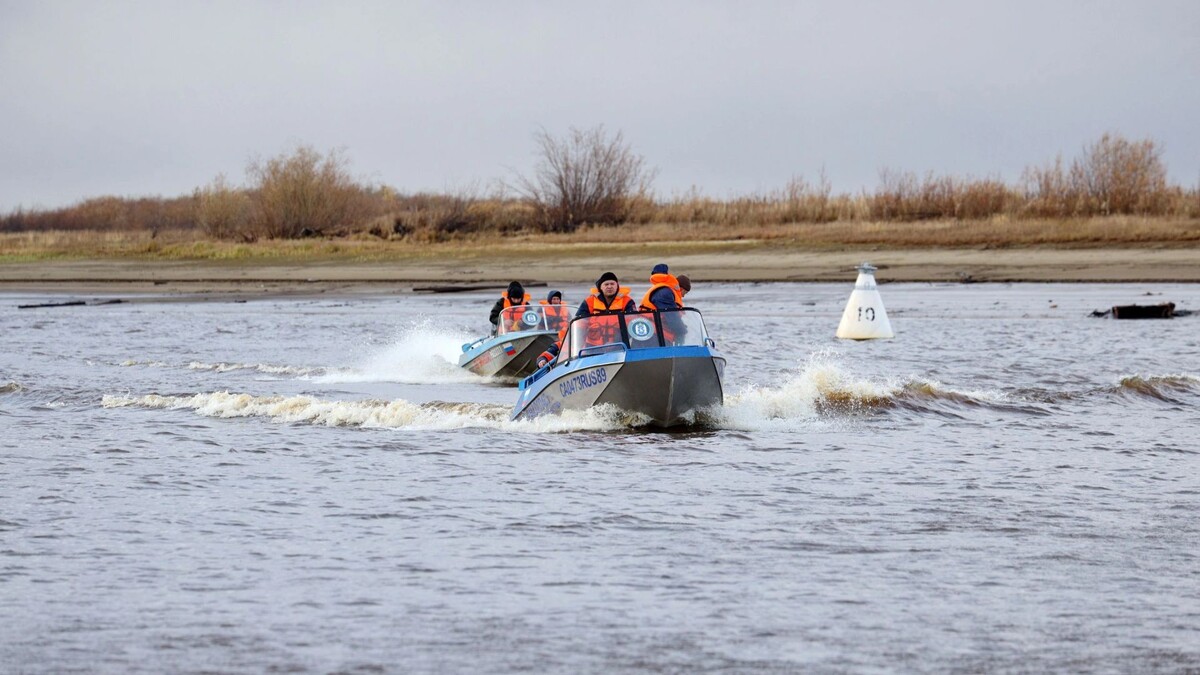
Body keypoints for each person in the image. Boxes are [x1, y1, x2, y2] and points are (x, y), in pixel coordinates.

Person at [537, 272, 636, 367]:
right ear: (600, 287)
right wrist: (543, 358)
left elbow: (634, 326)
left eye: (612, 284)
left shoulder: (627, 302)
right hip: (593, 350)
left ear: (617, 285)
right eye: (606, 284)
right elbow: (576, 328)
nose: (609, 286)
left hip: (620, 348)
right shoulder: (589, 302)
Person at [639, 264, 692, 344]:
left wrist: (681, 327)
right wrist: (681, 332)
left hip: (650, 333)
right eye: (685, 293)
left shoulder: (662, 290)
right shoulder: (665, 293)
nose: (683, 296)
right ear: (681, 289)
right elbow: (671, 316)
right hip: (654, 337)